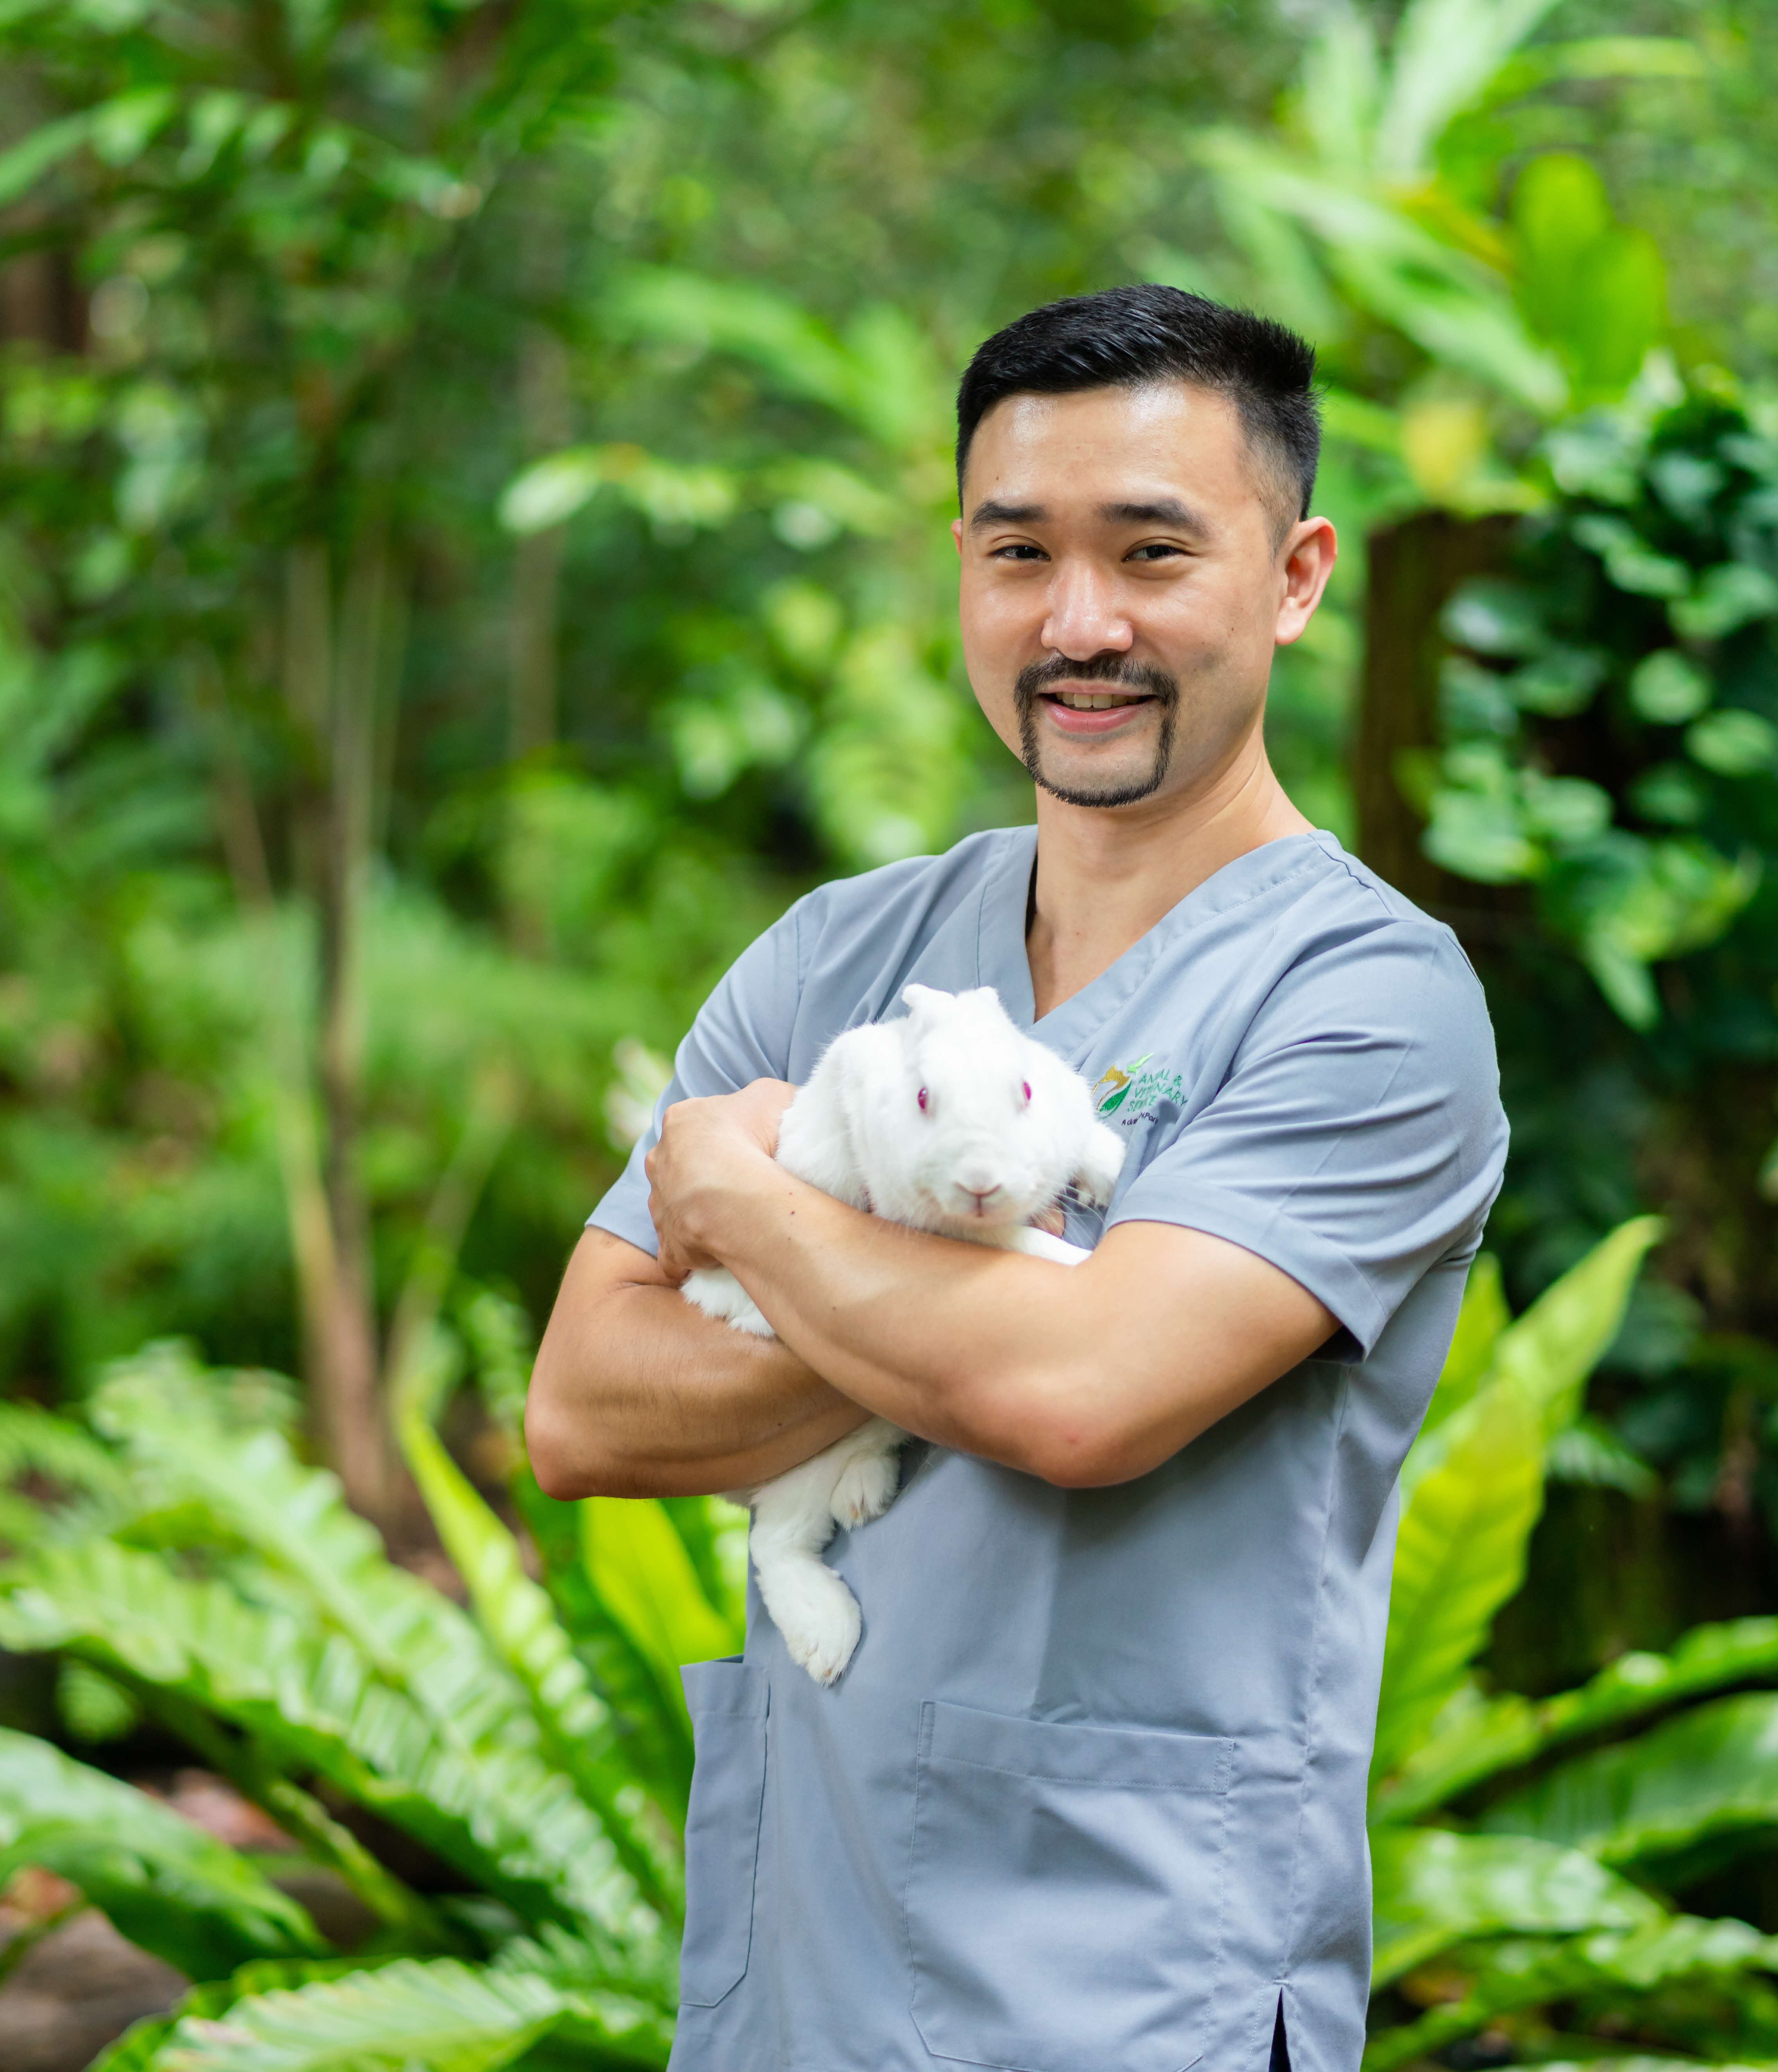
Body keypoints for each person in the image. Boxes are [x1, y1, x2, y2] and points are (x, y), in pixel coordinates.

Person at [528, 283, 1509, 2072]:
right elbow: (588, 1409)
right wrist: (968, 1302)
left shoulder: (1368, 1003)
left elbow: (1074, 1398)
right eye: (1016, 554)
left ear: (1294, 577)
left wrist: (744, 1206)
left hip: (1135, 1986)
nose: (1078, 624)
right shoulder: (837, 951)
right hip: (807, 1979)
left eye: (1149, 552)